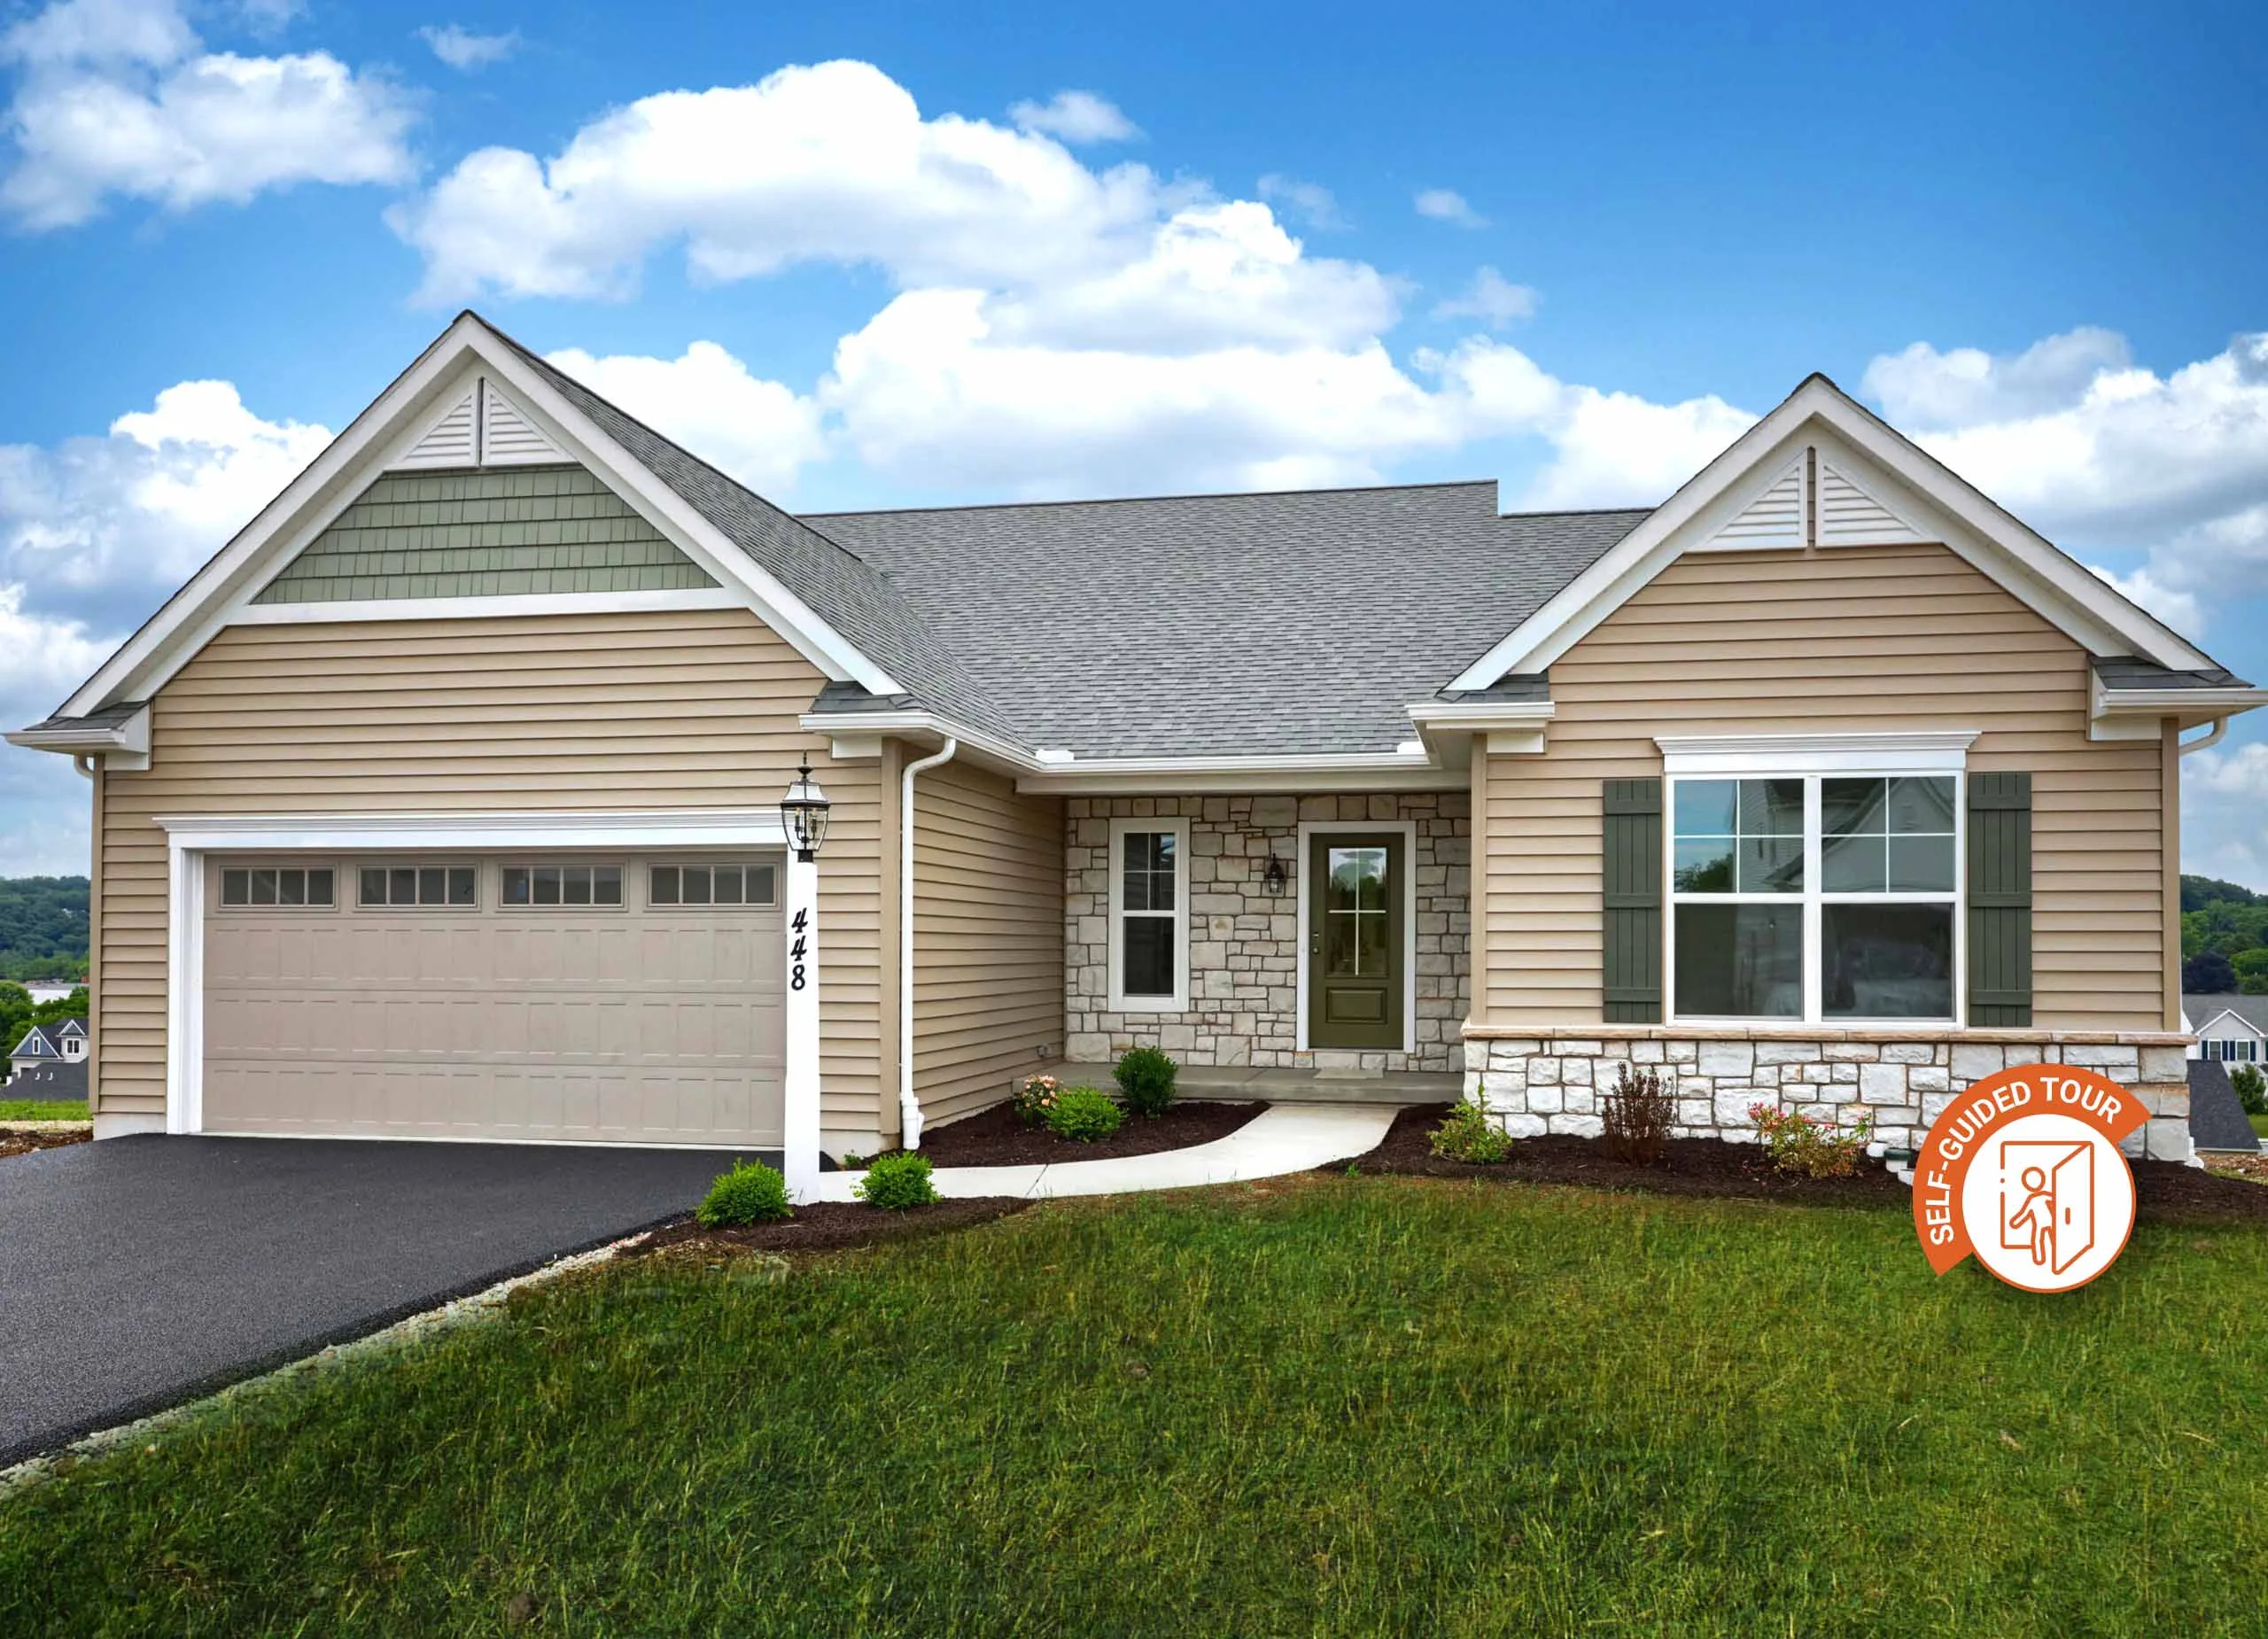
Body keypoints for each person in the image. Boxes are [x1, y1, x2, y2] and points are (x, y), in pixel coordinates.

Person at [2007, 1164, 2054, 1266]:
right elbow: (2025, 1213)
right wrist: (2016, 1222)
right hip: (2045, 1222)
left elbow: (2024, 1213)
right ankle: (2040, 1259)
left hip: (2047, 1221)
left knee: (2045, 1238)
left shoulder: (2040, 1197)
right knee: (2042, 1238)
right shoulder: (2035, 1199)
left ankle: (2043, 1258)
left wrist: (2016, 1222)